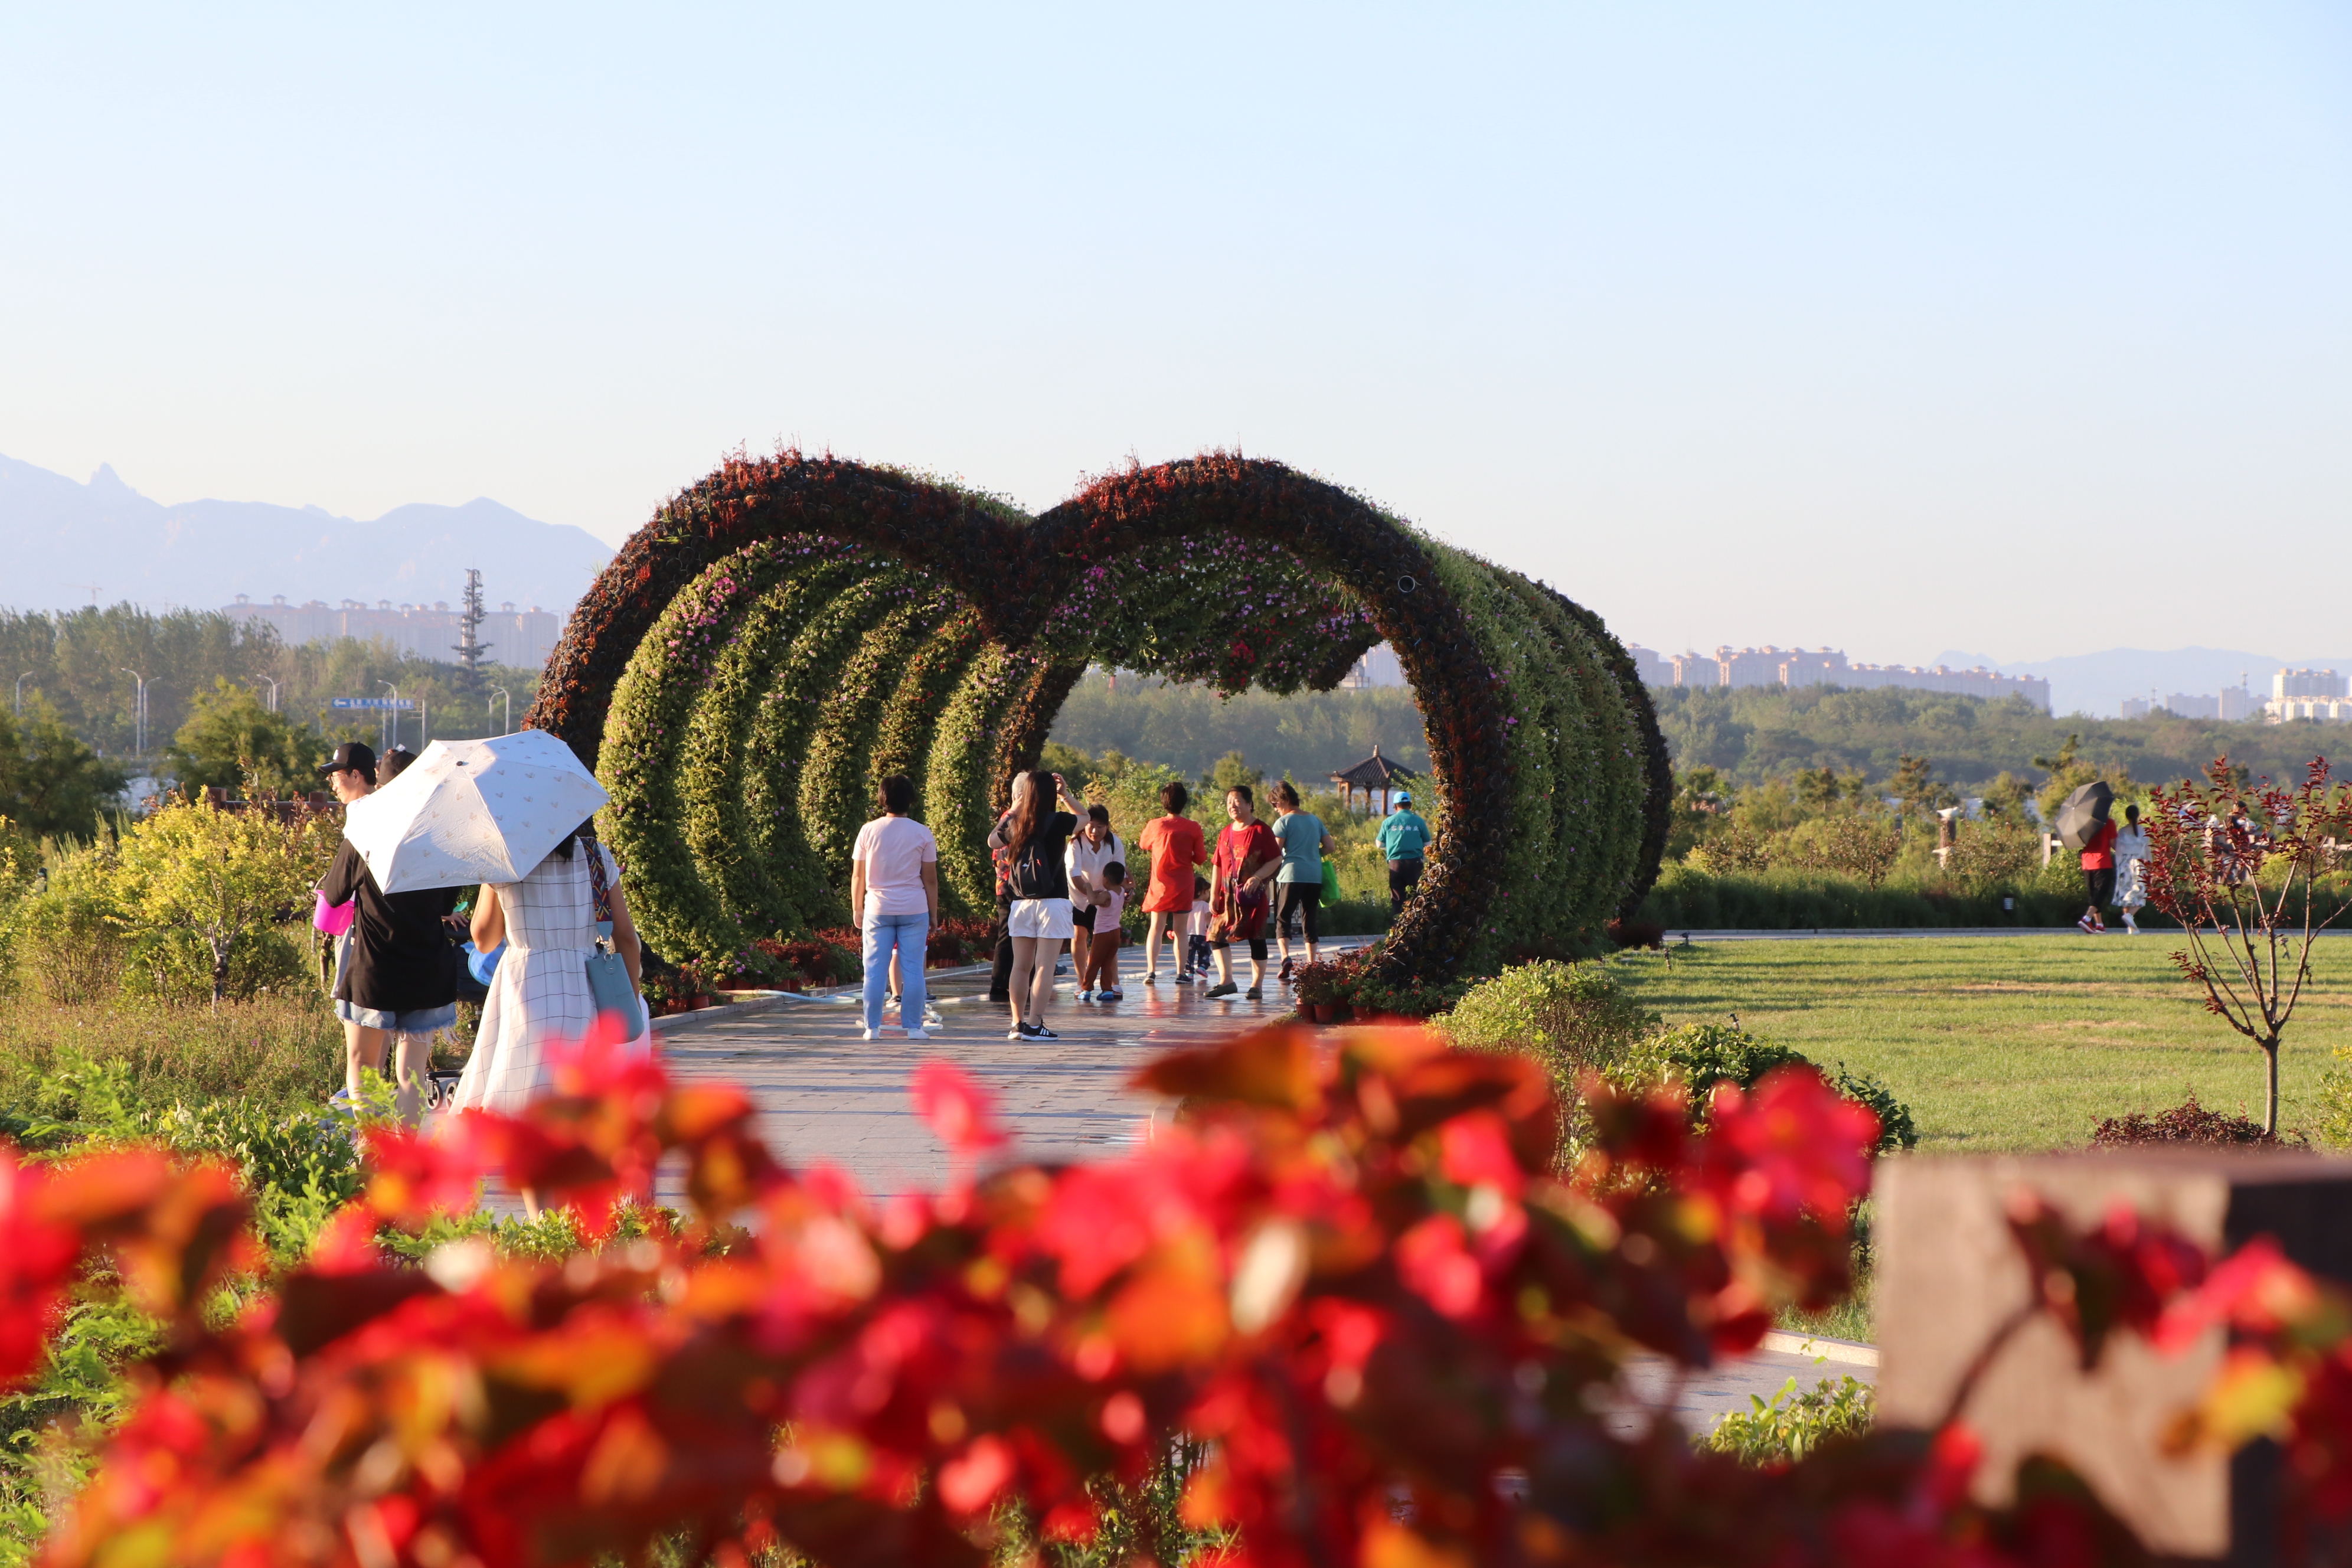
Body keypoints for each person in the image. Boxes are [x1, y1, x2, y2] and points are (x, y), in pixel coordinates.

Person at [456, 819, 644, 1217]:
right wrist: (631, 995)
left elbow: (484, 938)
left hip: (526, 989)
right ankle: (580, 1218)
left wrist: (491, 879)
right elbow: (625, 936)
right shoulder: (595, 856)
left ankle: (545, 1224)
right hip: (586, 987)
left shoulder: (503, 859)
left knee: (529, 1117)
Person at [316, 741, 461, 1127]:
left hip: (375, 970)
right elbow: (448, 905)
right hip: (428, 969)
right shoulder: (437, 838)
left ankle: (370, 1149)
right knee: (412, 1073)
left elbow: (333, 896)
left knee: (363, 1064)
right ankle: (406, 1153)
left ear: (381, 785)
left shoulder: (366, 833)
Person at [986, 769, 1083, 1040]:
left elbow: (992, 840)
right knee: (1044, 966)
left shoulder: (1017, 823)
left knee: (1021, 965)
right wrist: (1066, 795)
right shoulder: (1059, 820)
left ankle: (1017, 1024)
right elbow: (1085, 819)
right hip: (1053, 902)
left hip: (1022, 902)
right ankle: (1035, 1024)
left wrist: (1015, 807)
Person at [850, 774, 940, 1041]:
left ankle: (872, 1027)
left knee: (874, 969)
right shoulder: (923, 832)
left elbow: (858, 875)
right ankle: (914, 1027)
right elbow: (930, 878)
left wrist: (857, 908)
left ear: (882, 798)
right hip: (914, 907)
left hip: (877, 907)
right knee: (913, 969)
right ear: (911, 800)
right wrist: (934, 913)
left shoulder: (868, 830)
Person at [1206, 785, 1281, 1001]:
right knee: (1215, 935)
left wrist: (1257, 878)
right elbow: (1217, 864)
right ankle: (1226, 980)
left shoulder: (1261, 830)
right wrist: (1213, 894)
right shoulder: (1225, 833)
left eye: (1238, 801)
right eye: (1230, 802)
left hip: (1251, 896)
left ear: (1250, 804)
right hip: (1226, 895)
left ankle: (1256, 986)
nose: (1233, 806)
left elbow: (1276, 859)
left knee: (1256, 938)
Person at [1136, 781, 1207, 984]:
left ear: (1163, 802)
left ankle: (1151, 971)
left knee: (1156, 929)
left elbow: (1144, 844)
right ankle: (1181, 973)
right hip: (1184, 884)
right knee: (1181, 931)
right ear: (1184, 803)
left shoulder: (1155, 825)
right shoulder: (1193, 827)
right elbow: (1201, 858)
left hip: (1160, 883)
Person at [1268, 780, 1335, 980]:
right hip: (1314, 875)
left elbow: (1275, 851)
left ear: (1284, 801)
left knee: (1283, 918)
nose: (1275, 809)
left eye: (1275, 804)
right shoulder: (1315, 820)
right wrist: (1313, 854)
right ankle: (1312, 963)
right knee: (1310, 918)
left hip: (1291, 874)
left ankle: (1286, 958)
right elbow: (1330, 847)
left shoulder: (1284, 822)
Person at [1066, 804, 1125, 992]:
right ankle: (1081, 981)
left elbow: (1119, 872)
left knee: (1108, 940)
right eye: (1091, 824)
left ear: (1107, 826)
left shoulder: (1115, 842)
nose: (1095, 830)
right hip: (1080, 897)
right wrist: (1090, 894)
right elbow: (1075, 874)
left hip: (1106, 899)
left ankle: (1114, 983)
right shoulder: (1076, 843)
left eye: (1100, 826)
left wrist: (1114, 894)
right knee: (1079, 935)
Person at [1078, 861, 1128, 1000]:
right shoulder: (1122, 891)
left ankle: (1086, 989)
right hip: (1115, 933)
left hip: (1102, 933)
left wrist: (1088, 888)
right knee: (1107, 962)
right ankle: (1107, 990)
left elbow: (1093, 901)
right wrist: (1128, 872)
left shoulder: (1107, 895)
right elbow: (1131, 884)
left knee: (1094, 961)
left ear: (1105, 879)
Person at [1378, 792, 1432, 914]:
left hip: (1395, 863)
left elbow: (1379, 844)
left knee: (1397, 897)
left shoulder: (1388, 822)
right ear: (1410, 805)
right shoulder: (1419, 821)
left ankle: (1397, 927)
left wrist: (1392, 845)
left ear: (1395, 806)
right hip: (1415, 863)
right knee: (1417, 896)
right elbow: (1428, 843)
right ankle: (1417, 924)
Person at [2111, 803, 2150, 936]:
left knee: (2126, 894)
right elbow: (2148, 851)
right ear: (2138, 816)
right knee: (2141, 894)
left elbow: (2119, 850)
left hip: (2125, 864)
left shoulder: (2122, 831)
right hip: (2139, 864)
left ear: (2126, 816)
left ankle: (2131, 926)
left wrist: (2119, 864)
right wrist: (2150, 867)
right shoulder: (2143, 831)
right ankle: (2130, 917)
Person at [2077, 809, 2118, 934]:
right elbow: (2113, 844)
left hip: (2087, 862)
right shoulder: (2108, 822)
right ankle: (2087, 918)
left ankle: (2099, 924)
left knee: (2094, 895)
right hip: (2102, 862)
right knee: (2101, 893)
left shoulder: (2084, 824)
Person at [1187, 876, 1213, 976]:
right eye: (1207, 892)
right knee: (1205, 952)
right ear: (1202, 892)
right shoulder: (1206, 905)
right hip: (1202, 935)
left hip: (1188, 935)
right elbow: (1208, 919)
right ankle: (1202, 967)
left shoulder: (1188, 904)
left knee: (1189, 955)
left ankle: (1189, 973)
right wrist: (1211, 929)